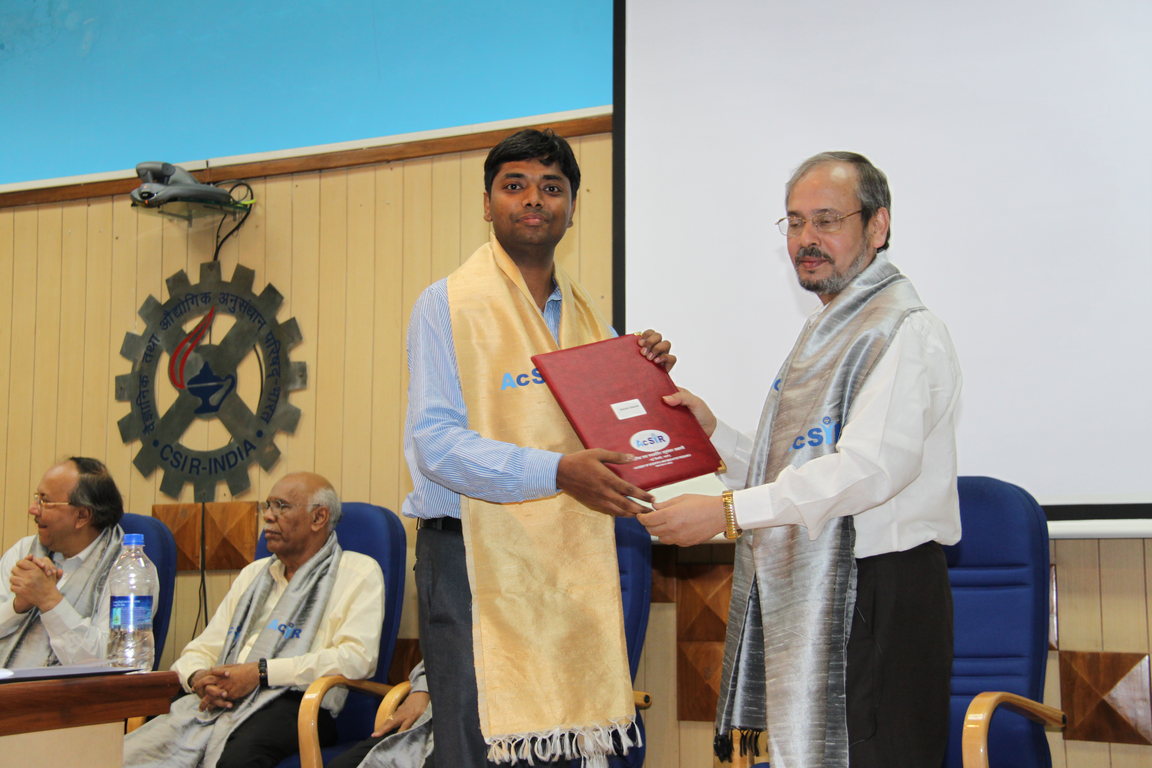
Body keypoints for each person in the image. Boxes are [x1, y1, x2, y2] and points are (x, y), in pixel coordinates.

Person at [639, 152, 962, 768]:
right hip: (826, 585)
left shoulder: (901, 329)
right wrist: (712, 436)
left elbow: (868, 472)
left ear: (877, 226)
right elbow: (794, 471)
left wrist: (727, 513)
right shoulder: (827, 330)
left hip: (881, 592)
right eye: (793, 222)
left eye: (827, 220)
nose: (806, 239)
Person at [404, 128, 671, 766]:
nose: (533, 199)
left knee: (563, 747)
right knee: (477, 746)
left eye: (552, 187)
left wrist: (650, 384)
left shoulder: (591, 321)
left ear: (572, 209)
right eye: (514, 185)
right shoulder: (445, 305)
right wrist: (557, 472)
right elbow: (435, 444)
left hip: (566, 558)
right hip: (468, 555)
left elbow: (617, 440)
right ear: (487, 203)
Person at [124, 471, 385, 768]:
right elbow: (202, 649)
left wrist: (261, 673)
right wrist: (199, 678)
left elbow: (356, 659)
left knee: (236, 758)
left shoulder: (357, 572)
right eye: (268, 506)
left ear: (318, 518)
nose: (268, 517)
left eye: (281, 507)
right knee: (136, 750)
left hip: (298, 703)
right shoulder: (254, 575)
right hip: (222, 697)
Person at [0, 457, 148, 668]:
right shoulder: (24, 551)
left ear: (82, 516)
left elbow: (114, 661)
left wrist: (50, 600)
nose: (33, 509)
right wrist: (19, 605)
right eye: (37, 498)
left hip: (72, 689)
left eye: (45, 501)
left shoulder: (127, 571)